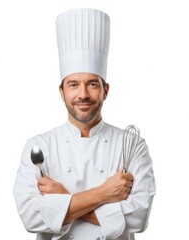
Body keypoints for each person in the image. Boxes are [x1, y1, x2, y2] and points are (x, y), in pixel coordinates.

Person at [13, 8, 155, 240]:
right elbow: (31, 217)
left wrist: (63, 199)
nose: (83, 94)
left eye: (92, 84)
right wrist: (104, 193)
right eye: (73, 84)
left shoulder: (132, 144)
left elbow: (139, 217)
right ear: (61, 92)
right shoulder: (38, 146)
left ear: (105, 90)